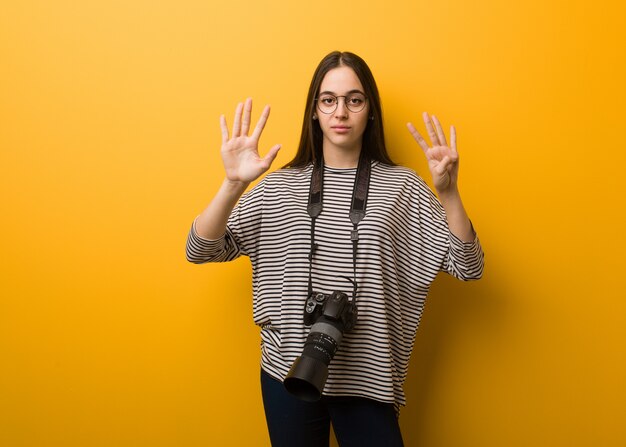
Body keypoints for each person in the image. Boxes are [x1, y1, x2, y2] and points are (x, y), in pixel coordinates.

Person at [186, 51, 484, 447]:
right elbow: (200, 249)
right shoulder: (279, 188)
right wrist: (232, 184)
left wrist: (448, 194)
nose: (340, 112)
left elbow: (469, 266)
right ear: (314, 111)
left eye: (354, 100)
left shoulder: (403, 188)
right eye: (329, 100)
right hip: (287, 370)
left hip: (368, 374)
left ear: (370, 110)